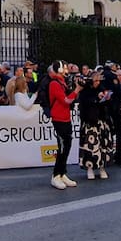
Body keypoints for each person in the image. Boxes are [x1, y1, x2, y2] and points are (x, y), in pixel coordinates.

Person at [47, 60, 80, 190]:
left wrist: (75, 89)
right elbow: (66, 100)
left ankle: (62, 173)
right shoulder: (54, 84)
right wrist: (77, 90)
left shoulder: (62, 83)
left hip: (65, 118)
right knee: (62, 147)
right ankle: (56, 175)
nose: (67, 71)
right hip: (59, 119)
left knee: (67, 146)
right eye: (65, 68)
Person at [77, 71, 114, 180]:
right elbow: (85, 104)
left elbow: (107, 104)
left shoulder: (102, 88)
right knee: (90, 147)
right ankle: (90, 168)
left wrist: (107, 99)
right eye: (95, 80)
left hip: (102, 121)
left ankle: (102, 167)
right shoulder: (85, 91)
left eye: (99, 80)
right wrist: (96, 98)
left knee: (103, 146)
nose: (98, 83)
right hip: (90, 122)